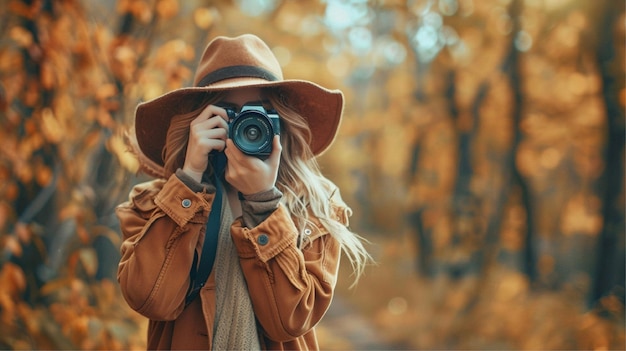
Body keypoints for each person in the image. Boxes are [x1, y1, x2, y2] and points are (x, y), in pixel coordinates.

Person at [115, 34, 371, 350]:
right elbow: (149, 299)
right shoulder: (154, 202)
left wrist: (263, 202)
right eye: (228, 113)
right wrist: (188, 180)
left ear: (281, 121)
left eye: (259, 112)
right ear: (201, 121)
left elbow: (289, 322)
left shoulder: (315, 204)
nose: (247, 127)